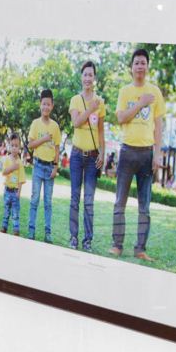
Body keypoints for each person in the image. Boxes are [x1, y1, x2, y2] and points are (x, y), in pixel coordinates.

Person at [112, 48, 164, 261]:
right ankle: (117, 245)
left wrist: (157, 154)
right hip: (127, 151)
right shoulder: (125, 91)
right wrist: (141, 103)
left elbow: (159, 126)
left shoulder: (155, 92)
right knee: (120, 203)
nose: (140, 66)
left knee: (145, 206)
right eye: (137, 63)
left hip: (146, 154)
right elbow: (121, 118)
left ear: (147, 66)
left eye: (143, 62)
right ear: (131, 67)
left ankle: (140, 248)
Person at [67, 59, 106, 251]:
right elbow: (76, 123)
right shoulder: (75, 100)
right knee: (75, 198)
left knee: (89, 200)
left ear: (94, 78)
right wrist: (90, 109)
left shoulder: (101, 102)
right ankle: (73, 237)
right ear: (81, 77)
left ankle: (87, 240)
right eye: (85, 74)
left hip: (92, 158)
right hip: (76, 155)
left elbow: (100, 131)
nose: (88, 78)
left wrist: (103, 153)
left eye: (91, 75)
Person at [26, 89, 60, 242]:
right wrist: (45, 139)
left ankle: (47, 233)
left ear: (52, 106)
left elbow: (57, 148)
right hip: (38, 166)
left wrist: (55, 167)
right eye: (43, 104)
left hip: (49, 168)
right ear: (40, 105)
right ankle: (31, 231)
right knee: (34, 200)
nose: (46, 107)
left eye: (48, 104)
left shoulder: (55, 126)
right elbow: (31, 145)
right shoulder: (35, 124)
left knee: (48, 202)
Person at [0, 134, 25, 235]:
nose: (14, 148)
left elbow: (21, 179)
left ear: (19, 148)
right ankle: (4, 227)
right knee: (6, 211)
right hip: (7, 191)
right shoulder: (7, 159)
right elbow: (4, 172)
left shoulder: (20, 163)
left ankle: (16, 230)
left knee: (15, 213)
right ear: (9, 146)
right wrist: (12, 168)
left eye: (16, 146)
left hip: (15, 192)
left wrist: (19, 192)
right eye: (12, 145)